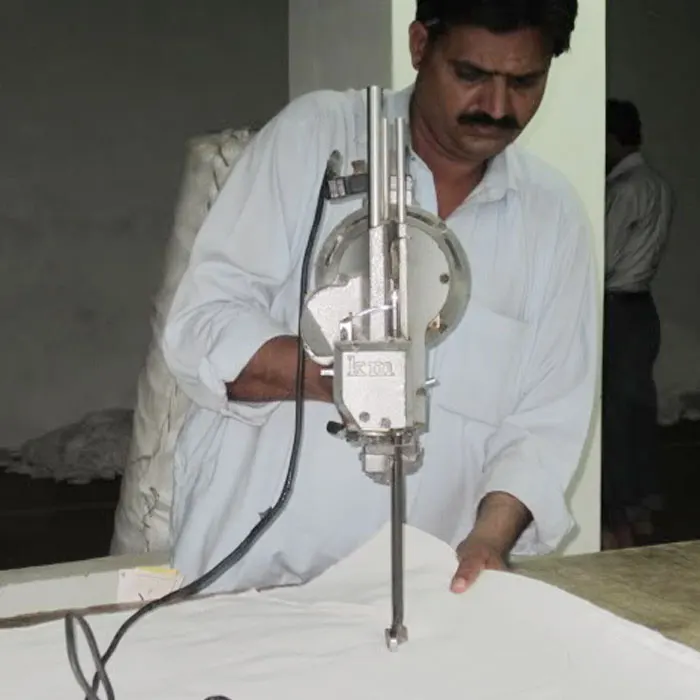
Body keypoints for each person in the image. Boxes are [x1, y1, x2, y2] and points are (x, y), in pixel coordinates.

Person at [162, 0, 597, 595]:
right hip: (251, 579)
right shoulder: (315, 139)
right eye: (471, 75)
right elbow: (202, 327)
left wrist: (489, 541)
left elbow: (544, 425)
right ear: (420, 46)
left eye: (524, 83)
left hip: (426, 589)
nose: (497, 107)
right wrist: (344, 378)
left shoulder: (552, 218)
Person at [602, 99, 674, 548]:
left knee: (615, 419)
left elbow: (604, 258)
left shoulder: (625, 189)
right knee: (637, 414)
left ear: (611, 139)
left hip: (617, 310)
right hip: (641, 308)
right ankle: (643, 508)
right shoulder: (657, 185)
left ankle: (621, 518)